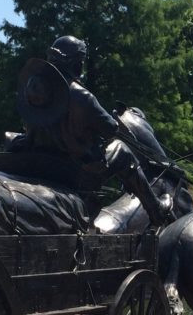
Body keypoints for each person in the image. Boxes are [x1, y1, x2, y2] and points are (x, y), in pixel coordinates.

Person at [14, 35, 169, 226]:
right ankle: (156, 211)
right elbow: (110, 129)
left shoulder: (33, 86)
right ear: (76, 64)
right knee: (123, 151)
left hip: (37, 160)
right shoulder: (81, 96)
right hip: (72, 170)